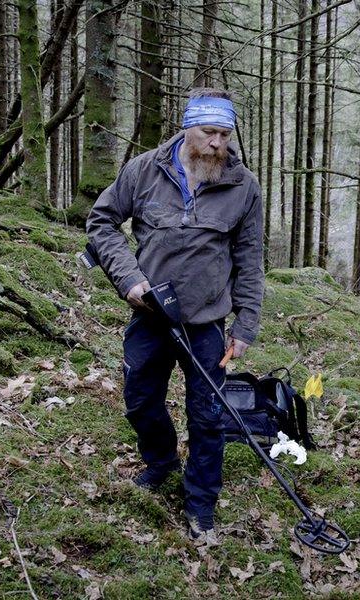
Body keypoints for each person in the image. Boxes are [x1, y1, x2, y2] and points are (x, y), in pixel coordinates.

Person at [85, 88, 264, 544]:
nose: (217, 143)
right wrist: (128, 279)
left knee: (207, 415)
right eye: (208, 132)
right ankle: (161, 461)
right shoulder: (144, 170)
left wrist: (245, 326)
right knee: (140, 400)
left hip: (207, 323)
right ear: (187, 127)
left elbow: (250, 258)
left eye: (225, 134)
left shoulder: (243, 186)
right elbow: (102, 222)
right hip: (150, 314)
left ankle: (201, 502)